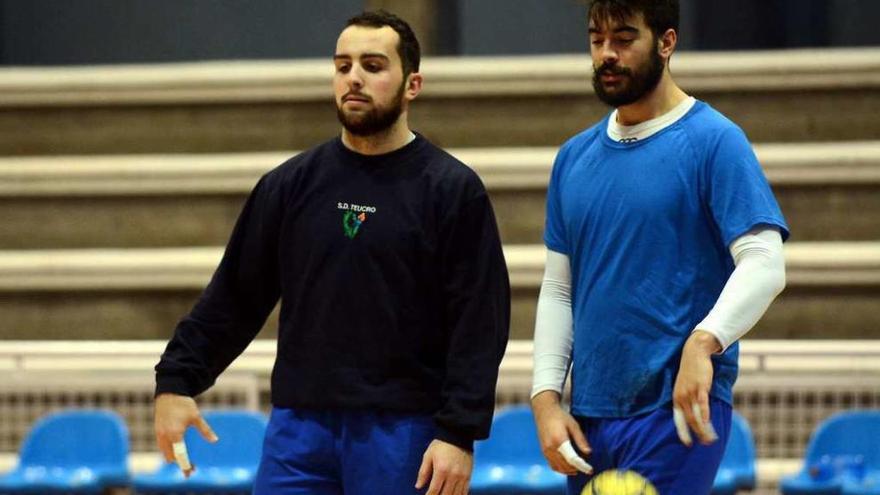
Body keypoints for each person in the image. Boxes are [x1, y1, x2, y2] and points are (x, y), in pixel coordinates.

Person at [152, 10, 510, 495]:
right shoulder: (289, 186)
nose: (354, 78)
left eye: (373, 65)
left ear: (412, 84)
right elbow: (234, 296)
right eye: (343, 66)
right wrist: (177, 380)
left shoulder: (451, 190)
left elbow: (478, 324)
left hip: (403, 430)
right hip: (299, 431)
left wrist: (457, 432)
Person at [529, 1, 788, 493]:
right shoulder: (573, 158)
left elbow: (765, 261)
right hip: (589, 417)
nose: (607, 54)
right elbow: (559, 290)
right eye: (596, 39)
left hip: (675, 409)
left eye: (624, 40)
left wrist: (705, 340)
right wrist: (545, 398)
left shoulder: (715, 141)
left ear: (666, 43)